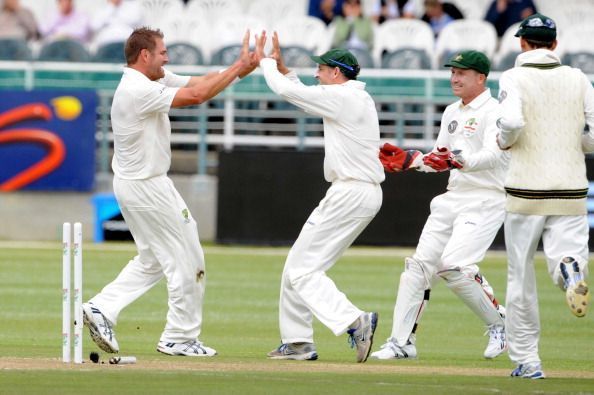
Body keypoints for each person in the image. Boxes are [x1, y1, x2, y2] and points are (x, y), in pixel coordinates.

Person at [81, 27, 256, 357]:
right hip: (147, 186)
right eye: (163, 52)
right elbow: (197, 97)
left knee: (153, 260)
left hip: (143, 183)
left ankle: (102, 307)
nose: (168, 57)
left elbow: (197, 82)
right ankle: (179, 336)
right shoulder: (137, 90)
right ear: (145, 55)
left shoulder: (151, 79)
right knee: (188, 259)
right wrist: (236, 70)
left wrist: (238, 69)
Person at [254, 31, 384, 363]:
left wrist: (266, 62)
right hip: (355, 191)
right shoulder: (348, 96)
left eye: (322, 70)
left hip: (351, 192)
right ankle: (298, 342)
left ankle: (355, 321)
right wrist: (285, 69)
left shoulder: (344, 98)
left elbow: (287, 93)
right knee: (296, 267)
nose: (317, 74)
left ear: (337, 74)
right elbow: (302, 90)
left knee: (303, 271)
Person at [371, 50, 509, 361]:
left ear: (481, 78)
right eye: (452, 72)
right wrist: (413, 161)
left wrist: (459, 159)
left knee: (454, 266)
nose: (454, 78)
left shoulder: (495, 111)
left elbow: (493, 155)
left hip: (486, 197)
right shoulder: (451, 111)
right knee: (417, 269)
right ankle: (401, 343)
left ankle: (502, 324)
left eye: (462, 73)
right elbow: (440, 158)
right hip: (452, 197)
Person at [496, 13, 592, 379]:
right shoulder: (577, 77)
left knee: (520, 276)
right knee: (568, 252)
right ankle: (570, 269)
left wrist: (502, 142)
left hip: (525, 187)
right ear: (554, 44)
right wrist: (576, 144)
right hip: (570, 185)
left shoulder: (514, 76)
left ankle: (528, 360)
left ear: (522, 43)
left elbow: (512, 124)